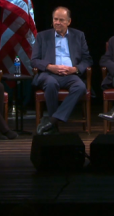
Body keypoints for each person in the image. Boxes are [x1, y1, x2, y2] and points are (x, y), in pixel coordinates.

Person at [31, 7, 93, 135]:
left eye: (61, 20)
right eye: (55, 19)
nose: (57, 22)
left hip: (69, 74)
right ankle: (53, 125)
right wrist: (49, 66)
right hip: (48, 74)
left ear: (69, 22)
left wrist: (74, 69)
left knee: (80, 87)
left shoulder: (78, 35)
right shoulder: (42, 36)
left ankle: (52, 121)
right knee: (51, 84)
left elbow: (87, 59)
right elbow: (34, 60)